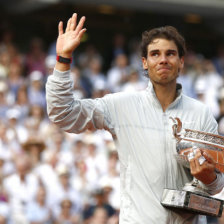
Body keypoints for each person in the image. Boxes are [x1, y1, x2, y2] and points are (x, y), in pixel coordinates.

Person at [46, 13, 224, 224]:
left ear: (181, 62)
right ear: (145, 63)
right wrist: (63, 59)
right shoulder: (121, 105)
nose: (163, 59)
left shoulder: (201, 113)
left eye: (170, 54)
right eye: (155, 54)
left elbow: (216, 183)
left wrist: (208, 178)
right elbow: (64, 114)